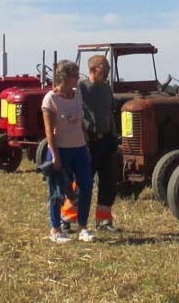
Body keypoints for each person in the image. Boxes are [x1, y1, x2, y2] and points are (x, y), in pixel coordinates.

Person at [40, 59, 93, 243]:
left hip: (79, 148)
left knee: (86, 185)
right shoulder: (50, 99)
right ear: (64, 77)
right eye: (75, 75)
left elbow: (80, 121)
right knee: (57, 190)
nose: (78, 78)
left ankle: (82, 227)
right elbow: (48, 130)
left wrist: (86, 142)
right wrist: (55, 156)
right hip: (60, 149)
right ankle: (55, 229)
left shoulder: (77, 95)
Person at [80, 52, 121, 231]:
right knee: (82, 182)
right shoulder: (80, 89)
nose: (108, 71)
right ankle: (68, 219)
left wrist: (113, 137)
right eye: (105, 68)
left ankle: (104, 221)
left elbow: (110, 113)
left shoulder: (106, 89)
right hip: (87, 143)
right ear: (93, 69)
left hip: (105, 143)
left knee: (107, 183)